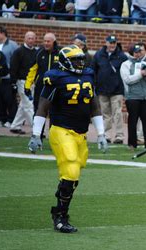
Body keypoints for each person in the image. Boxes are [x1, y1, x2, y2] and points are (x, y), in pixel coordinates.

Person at [27, 45, 108, 233]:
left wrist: (101, 133)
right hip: (61, 130)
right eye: (76, 59)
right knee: (71, 170)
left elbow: (94, 106)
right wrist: (35, 134)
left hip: (81, 134)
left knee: (73, 175)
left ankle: (61, 202)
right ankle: (60, 216)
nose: (81, 62)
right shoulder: (55, 78)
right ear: (64, 61)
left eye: (81, 58)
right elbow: (42, 107)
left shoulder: (88, 75)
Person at [92, 35, 127, 144]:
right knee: (105, 114)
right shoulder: (99, 55)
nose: (112, 45)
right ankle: (106, 135)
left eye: (114, 43)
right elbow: (93, 70)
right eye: (110, 42)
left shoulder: (122, 56)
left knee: (117, 113)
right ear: (106, 43)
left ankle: (119, 136)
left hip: (117, 90)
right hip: (102, 90)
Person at [120, 43, 146, 149]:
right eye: (136, 52)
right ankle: (132, 144)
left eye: (139, 52)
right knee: (133, 121)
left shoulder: (145, 63)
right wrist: (140, 75)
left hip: (145, 97)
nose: (138, 54)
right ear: (131, 52)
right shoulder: (125, 64)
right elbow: (127, 80)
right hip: (132, 97)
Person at [9, 31, 37, 134]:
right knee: (29, 105)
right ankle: (36, 129)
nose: (30, 40)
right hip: (21, 82)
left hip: (32, 82)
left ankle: (15, 126)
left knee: (23, 105)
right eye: (28, 38)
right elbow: (13, 67)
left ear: (35, 39)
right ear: (25, 39)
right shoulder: (19, 51)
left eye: (32, 38)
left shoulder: (36, 52)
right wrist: (13, 82)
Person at [25, 32, 59, 117]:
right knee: (38, 110)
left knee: (55, 112)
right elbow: (32, 70)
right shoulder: (39, 53)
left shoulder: (60, 54)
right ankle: (37, 130)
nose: (46, 43)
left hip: (56, 87)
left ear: (54, 42)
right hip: (41, 87)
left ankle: (53, 130)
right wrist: (27, 86)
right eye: (45, 41)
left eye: (48, 41)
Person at [0, 26, 18, 128]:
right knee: (0, 100)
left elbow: (16, 60)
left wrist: (14, 75)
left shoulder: (12, 45)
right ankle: (2, 118)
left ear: (3, 33)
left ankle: (11, 119)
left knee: (10, 99)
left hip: (9, 77)